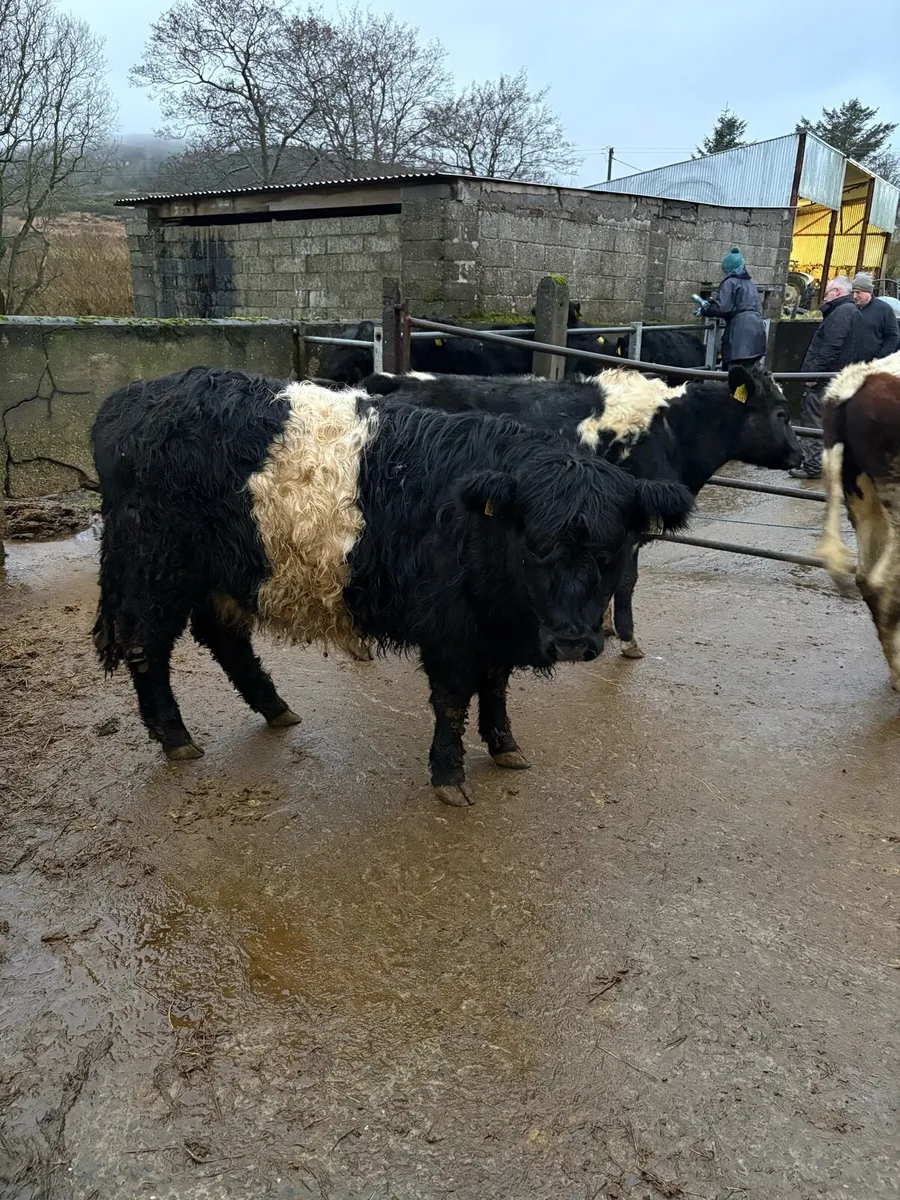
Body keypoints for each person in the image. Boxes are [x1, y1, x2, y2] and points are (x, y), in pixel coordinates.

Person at [789, 276, 862, 480]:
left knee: (813, 419)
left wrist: (814, 373)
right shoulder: (849, 311)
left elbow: (831, 346)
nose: (825, 296)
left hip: (825, 378)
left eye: (828, 292)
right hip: (836, 376)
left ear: (837, 292)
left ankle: (812, 465)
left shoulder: (841, 313)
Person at [697, 246, 767, 369]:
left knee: (734, 373)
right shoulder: (751, 284)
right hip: (757, 333)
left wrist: (705, 309)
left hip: (740, 335)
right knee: (750, 375)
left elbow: (722, 307)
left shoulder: (730, 282)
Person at [851, 272, 900, 360]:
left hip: (871, 364)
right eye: (853, 292)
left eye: (858, 292)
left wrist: (880, 357)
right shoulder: (849, 307)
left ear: (868, 291)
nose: (855, 296)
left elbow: (893, 336)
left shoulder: (884, 309)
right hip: (848, 364)